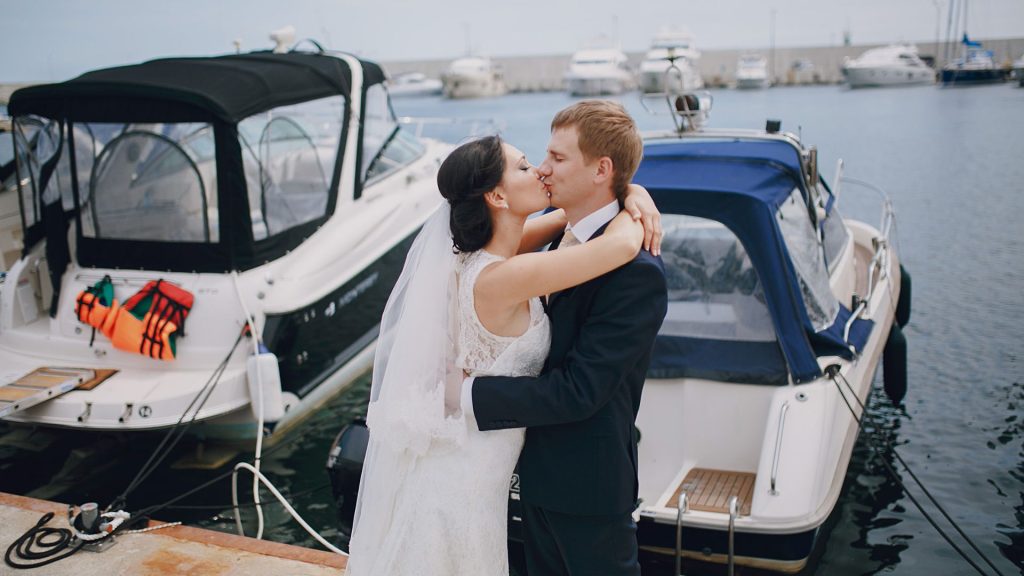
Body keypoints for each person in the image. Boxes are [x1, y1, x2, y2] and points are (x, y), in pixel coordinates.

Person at [345, 126, 663, 574]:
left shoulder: (489, 257)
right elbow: (621, 246)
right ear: (496, 196)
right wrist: (634, 209)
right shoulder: (503, 277)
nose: (540, 170)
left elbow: (564, 223)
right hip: (462, 484)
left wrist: (633, 192)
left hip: (481, 477)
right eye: (524, 165)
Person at [463, 100, 668, 576]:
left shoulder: (637, 274)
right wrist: (633, 191)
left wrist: (467, 395)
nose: (542, 168)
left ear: (601, 169)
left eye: (557, 158)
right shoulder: (560, 239)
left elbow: (581, 390)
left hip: (588, 490)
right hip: (530, 478)